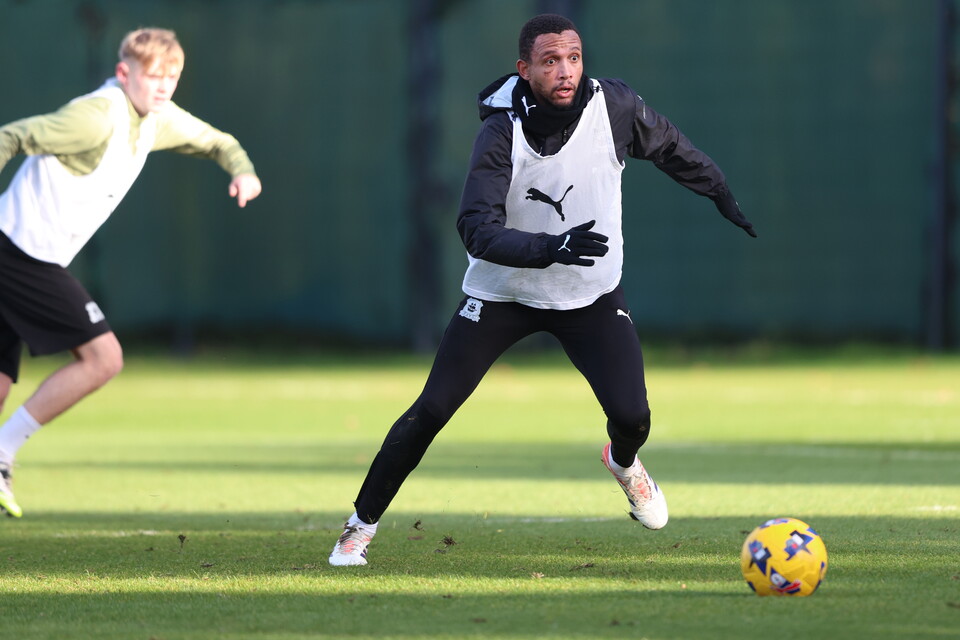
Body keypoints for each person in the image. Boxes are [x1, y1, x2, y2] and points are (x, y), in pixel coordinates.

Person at [328, 13, 755, 566]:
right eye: (550, 61)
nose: (565, 71)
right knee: (431, 409)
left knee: (634, 418)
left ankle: (624, 464)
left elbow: (672, 147)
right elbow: (475, 229)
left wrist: (719, 190)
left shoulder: (614, 107)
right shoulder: (499, 130)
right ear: (524, 69)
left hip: (591, 294)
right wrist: (549, 247)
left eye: (573, 58)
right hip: (503, 294)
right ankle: (356, 531)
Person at [0, 27, 262, 518]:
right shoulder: (96, 117)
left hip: (22, 251)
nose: (163, 86)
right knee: (104, 358)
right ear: (125, 74)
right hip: (17, 253)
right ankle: (2, 453)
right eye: (153, 76)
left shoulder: (156, 118)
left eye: (172, 76)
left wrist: (241, 169)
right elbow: (14, 136)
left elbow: (217, 141)